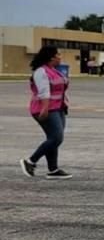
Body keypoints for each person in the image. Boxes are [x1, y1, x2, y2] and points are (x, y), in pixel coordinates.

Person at [19, 46, 72, 179]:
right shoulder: (41, 72)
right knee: (56, 138)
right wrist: (45, 109)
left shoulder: (54, 71)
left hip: (58, 108)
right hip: (46, 109)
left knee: (53, 139)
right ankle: (30, 161)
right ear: (51, 57)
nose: (60, 57)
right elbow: (44, 92)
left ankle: (53, 169)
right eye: (58, 54)